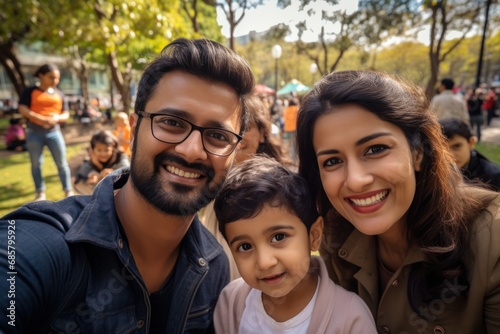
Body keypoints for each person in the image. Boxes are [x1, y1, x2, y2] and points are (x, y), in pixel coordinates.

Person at [0, 38, 255, 333]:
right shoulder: (40, 246)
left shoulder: (214, 266)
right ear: (133, 131)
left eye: (218, 136)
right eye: (172, 122)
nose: (191, 150)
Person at [296, 70, 500, 333]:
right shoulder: (334, 234)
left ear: (417, 152)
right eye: (332, 161)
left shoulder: (492, 239)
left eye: (376, 149)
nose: (356, 180)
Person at [213, 156, 377, 333]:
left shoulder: (350, 317)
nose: (264, 262)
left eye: (278, 237)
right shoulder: (231, 303)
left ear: (314, 235)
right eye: (245, 247)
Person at [199, 94, 291, 281]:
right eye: (229, 128)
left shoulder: (280, 184)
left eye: (246, 128)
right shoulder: (207, 178)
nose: (237, 136)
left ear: (263, 132)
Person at [17, 63, 73, 201]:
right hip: (34, 133)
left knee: (62, 163)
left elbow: (66, 114)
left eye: (57, 78)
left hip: (54, 132)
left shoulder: (59, 94)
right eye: (51, 77)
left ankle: (68, 190)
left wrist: (56, 118)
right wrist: (40, 118)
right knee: (36, 164)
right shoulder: (30, 91)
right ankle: (40, 192)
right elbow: (22, 108)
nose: (55, 81)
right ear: (41, 75)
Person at [440, 118, 500, 191]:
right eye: (443, 149)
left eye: (456, 146)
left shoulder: (493, 177)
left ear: (471, 143)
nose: (450, 155)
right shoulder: (431, 174)